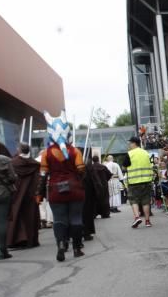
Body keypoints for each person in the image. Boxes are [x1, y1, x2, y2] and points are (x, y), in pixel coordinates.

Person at [39, 110, 86, 261]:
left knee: (59, 219)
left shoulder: (46, 153)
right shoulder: (75, 151)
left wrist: (39, 193)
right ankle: (77, 248)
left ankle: (61, 244)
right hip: (75, 189)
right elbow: (81, 170)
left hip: (55, 190)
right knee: (76, 218)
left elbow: (42, 175)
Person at [8, 143, 41, 248]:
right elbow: (37, 180)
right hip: (31, 193)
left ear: (19, 150)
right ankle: (31, 240)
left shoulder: (13, 163)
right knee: (30, 217)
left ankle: (19, 240)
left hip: (17, 193)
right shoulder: (35, 164)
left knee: (18, 216)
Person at [125, 136, 153, 228]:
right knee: (146, 201)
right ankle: (147, 221)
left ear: (134, 143)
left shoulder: (129, 154)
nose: (129, 144)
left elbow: (125, 166)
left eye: (130, 143)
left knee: (134, 200)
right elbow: (151, 165)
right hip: (146, 181)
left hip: (134, 182)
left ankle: (137, 217)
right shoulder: (146, 153)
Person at [82, 153, 110, 239]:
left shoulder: (89, 166)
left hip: (87, 189)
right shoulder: (102, 167)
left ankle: (95, 213)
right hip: (102, 185)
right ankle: (105, 213)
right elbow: (109, 174)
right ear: (98, 159)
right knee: (104, 200)